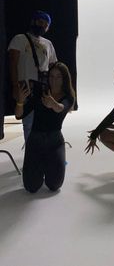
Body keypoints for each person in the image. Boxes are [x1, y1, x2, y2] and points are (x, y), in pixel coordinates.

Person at [15, 62, 75, 193]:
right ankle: (41, 164)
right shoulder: (40, 94)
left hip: (55, 141)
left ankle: (48, 163)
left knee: (54, 185)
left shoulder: (68, 97)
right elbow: (19, 115)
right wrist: (20, 101)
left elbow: (61, 108)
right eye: (52, 76)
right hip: (35, 140)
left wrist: (53, 104)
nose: (54, 80)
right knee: (31, 187)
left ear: (64, 79)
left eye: (58, 77)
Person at [8, 10, 57, 142]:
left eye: (46, 25)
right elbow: (13, 63)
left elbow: (54, 68)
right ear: (33, 21)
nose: (42, 26)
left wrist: (56, 91)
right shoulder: (19, 39)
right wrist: (15, 85)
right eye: (40, 22)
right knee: (29, 123)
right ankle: (32, 158)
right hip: (26, 88)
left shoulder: (48, 43)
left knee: (46, 123)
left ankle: (47, 156)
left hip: (44, 89)